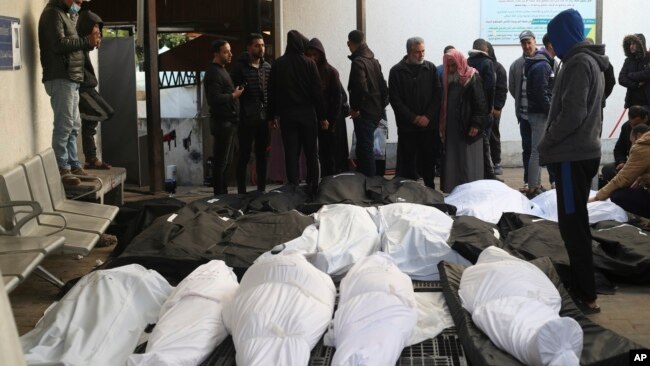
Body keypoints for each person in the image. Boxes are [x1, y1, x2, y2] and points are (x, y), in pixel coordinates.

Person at [539, 9, 610, 314]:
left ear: (565, 36)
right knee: (576, 222)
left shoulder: (579, 63)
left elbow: (572, 114)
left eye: (554, 39)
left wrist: (546, 141)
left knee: (573, 226)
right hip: (583, 152)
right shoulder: (590, 60)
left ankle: (586, 294)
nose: (552, 46)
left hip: (571, 156)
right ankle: (584, 285)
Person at [38, 0, 101, 186]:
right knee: (64, 125)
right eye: (78, 0)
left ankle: (73, 165)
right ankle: (61, 167)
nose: (80, 3)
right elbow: (58, 45)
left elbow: (73, 46)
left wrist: (90, 42)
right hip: (60, 77)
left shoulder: (66, 14)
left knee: (74, 125)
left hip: (71, 78)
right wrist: (85, 41)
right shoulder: (52, 14)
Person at [268, 30, 326, 194]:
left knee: (291, 154)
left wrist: (271, 116)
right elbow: (317, 92)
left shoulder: (278, 64)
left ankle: (293, 188)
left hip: (287, 116)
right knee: (311, 153)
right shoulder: (309, 64)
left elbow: (271, 92)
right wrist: (322, 117)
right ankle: (313, 186)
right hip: (308, 115)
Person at [389, 36, 441, 188]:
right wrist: (413, 118)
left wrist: (427, 116)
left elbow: (437, 95)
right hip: (408, 127)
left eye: (423, 51)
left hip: (428, 126)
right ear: (408, 51)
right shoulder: (397, 71)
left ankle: (429, 189)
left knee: (428, 160)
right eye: (417, 52)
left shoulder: (430, 69)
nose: (421, 55)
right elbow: (395, 99)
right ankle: (408, 190)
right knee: (408, 161)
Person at [439, 49, 488, 193]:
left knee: (468, 161)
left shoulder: (472, 77)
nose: (451, 69)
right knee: (453, 160)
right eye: (449, 66)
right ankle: (453, 191)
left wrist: (476, 124)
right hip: (453, 128)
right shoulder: (448, 79)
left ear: (460, 62)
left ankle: (470, 192)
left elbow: (481, 103)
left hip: (468, 126)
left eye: (454, 65)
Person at [230, 33, 271, 194]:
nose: (261, 48)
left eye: (262, 45)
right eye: (257, 45)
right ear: (249, 47)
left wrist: (272, 115)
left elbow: (271, 92)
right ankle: (241, 191)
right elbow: (233, 91)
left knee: (262, 155)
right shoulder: (239, 68)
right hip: (246, 119)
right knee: (244, 155)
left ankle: (261, 189)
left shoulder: (267, 67)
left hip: (263, 118)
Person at [75, 5, 114, 170]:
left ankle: (91, 159)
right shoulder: (78, 43)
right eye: (95, 31)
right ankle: (83, 113)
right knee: (106, 112)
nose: (98, 34)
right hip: (84, 88)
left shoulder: (83, 45)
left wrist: (93, 42)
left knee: (90, 124)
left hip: (88, 87)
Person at [347, 30, 389, 177]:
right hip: (376, 112)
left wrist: (356, 109)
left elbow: (359, 88)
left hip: (364, 113)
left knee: (365, 152)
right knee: (372, 150)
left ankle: (368, 186)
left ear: (350, 44)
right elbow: (384, 88)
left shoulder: (358, 62)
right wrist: (380, 107)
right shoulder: (374, 61)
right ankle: (374, 183)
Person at [203, 40, 242, 195]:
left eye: (230, 51)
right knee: (221, 162)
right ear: (217, 53)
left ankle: (222, 194)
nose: (230, 54)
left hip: (229, 122)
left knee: (225, 163)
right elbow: (214, 99)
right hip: (222, 123)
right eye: (226, 51)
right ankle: (219, 196)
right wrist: (234, 95)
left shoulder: (222, 70)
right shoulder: (213, 72)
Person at [590, 125, 650, 219]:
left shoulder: (642, 146)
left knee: (617, 195)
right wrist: (644, 177)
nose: (632, 145)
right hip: (624, 164)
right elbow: (619, 150)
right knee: (609, 169)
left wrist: (597, 197)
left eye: (632, 142)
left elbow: (623, 178)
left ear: (638, 136)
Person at [305, 38, 343, 178]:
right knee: (312, 153)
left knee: (328, 154)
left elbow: (337, 98)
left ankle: (329, 182)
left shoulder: (330, 72)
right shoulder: (306, 72)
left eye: (315, 55)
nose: (312, 58)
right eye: (309, 55)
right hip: (310, 118)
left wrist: (330, 120)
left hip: (326, 120)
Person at [523, 37, 555, 197]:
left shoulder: (540, 63)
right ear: (550, 46)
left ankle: (535, 185)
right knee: (536, 151)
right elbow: (542, 93)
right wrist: (551, 111)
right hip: (540, 114)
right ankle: (533, 187)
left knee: (537, 150)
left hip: (536, 112)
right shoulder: (543, 65)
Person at [509, 30, 538, 192]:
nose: (527, 46)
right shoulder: (516, 65)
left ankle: (553, 181)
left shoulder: (547, 61)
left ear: (535, 41)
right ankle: (528, 181)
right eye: (523, 43)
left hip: (542, 116)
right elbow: (513, 89)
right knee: (527, 148)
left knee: (545, 149)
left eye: (529, 42)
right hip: (524, 116)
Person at [468, 38, 497, 179]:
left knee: (473, 142)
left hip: (470, 110)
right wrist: (490, 106)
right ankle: (489, 175)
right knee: (485, 143)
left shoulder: (467, 62)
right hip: (484, 109)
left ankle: (475, 174)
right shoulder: (488, 63)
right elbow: (491, 86)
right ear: (485, 50)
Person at [601, 105, 649, 182]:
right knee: (608, 170)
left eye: (637, 124)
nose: (634, 128)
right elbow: (619, 149)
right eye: (632, 124)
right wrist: (621, 162)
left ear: (646, 118)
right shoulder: (626, 127)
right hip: (631, 165)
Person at [486, 42, 507, 176]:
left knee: (494, 135)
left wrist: (497, 107)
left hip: (494, 110)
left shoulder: (498, 68)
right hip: (481, 110)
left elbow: (502, 89)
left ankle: (496, 162)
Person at [619, 34, 650, 110]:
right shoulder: (628, 61)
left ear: (641, 44)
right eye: (630, 44)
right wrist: (636, 84)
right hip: (632, 103)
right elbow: (621, 79)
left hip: (647, 102)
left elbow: (646, 74)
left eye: (634, 44)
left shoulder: (649, 58)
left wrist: (630, 75)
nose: (631, 46)